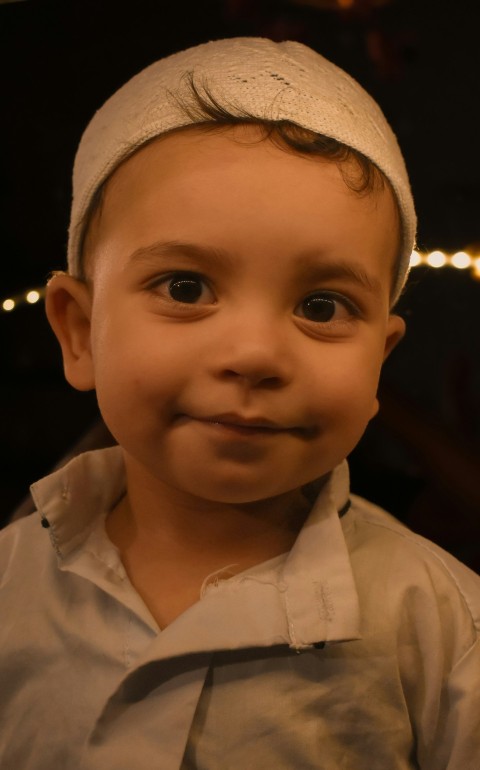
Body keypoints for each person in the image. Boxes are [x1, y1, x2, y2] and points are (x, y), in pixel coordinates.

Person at [1, 37, 479, 770]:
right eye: (185, 288)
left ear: (378, 364)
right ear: (78, 333)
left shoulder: (443, 625)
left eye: (321, 306)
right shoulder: (9, 584)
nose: (254, 355)